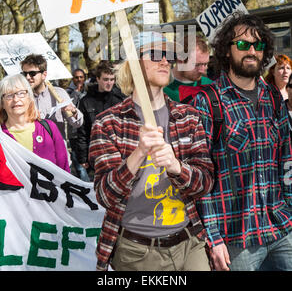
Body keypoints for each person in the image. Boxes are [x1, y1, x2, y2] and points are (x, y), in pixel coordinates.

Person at [89, 31, 214, 271]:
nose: (165, 61)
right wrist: (138, 154)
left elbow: (206, 183)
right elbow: (105, 196)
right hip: (137, 252)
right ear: (133, 64)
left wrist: (177, 167)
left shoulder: (188, 117)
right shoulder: (108, 123)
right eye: (156, 55)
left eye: (167, 55)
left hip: (190, 243)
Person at [193, 12, 292, 271]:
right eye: (242, 44)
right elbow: (202, 179)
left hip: (282, 227)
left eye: (258, 45)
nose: (251, 50)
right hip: (236, 239)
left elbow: (287, 161)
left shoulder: (273, 98)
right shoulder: (207, 102)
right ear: (226, 50)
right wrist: (213, 238)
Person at [0, 73, 70, 172]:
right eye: (9, 95)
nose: (16, 99)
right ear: (2, 103)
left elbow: (64, 171)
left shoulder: (49, 128)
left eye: (21, 93)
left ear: (29, 98)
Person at [20, 54, 84, 142]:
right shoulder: (21, 97)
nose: (27, 77)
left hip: (57, 149)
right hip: (33, 150)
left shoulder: (59, 93)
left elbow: (77, 123)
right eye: (24, 74)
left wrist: (73, 111)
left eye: (32, 73)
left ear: (44, 74)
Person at [75, 61, 125, 173]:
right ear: (98, 79)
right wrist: (83, 157)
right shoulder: (86, 101)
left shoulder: (120, 99)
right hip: (97, 153)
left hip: (119, 153)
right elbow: (82, 131)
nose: (109, 83)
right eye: (105, 79)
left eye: (112, 79)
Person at [164, 35, 212, 102]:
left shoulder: (209, 86)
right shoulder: (161, 87)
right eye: (197, 65)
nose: (202, 71)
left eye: (205, 64)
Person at [66, 68, 89, 181]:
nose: (79, 79)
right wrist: (76, 93)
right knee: (80, 167)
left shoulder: (89, 91)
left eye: (81, 77)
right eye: (76, 77)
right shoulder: (68, 93)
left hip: (87, 132)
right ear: (73, 78)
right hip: (74, 133)